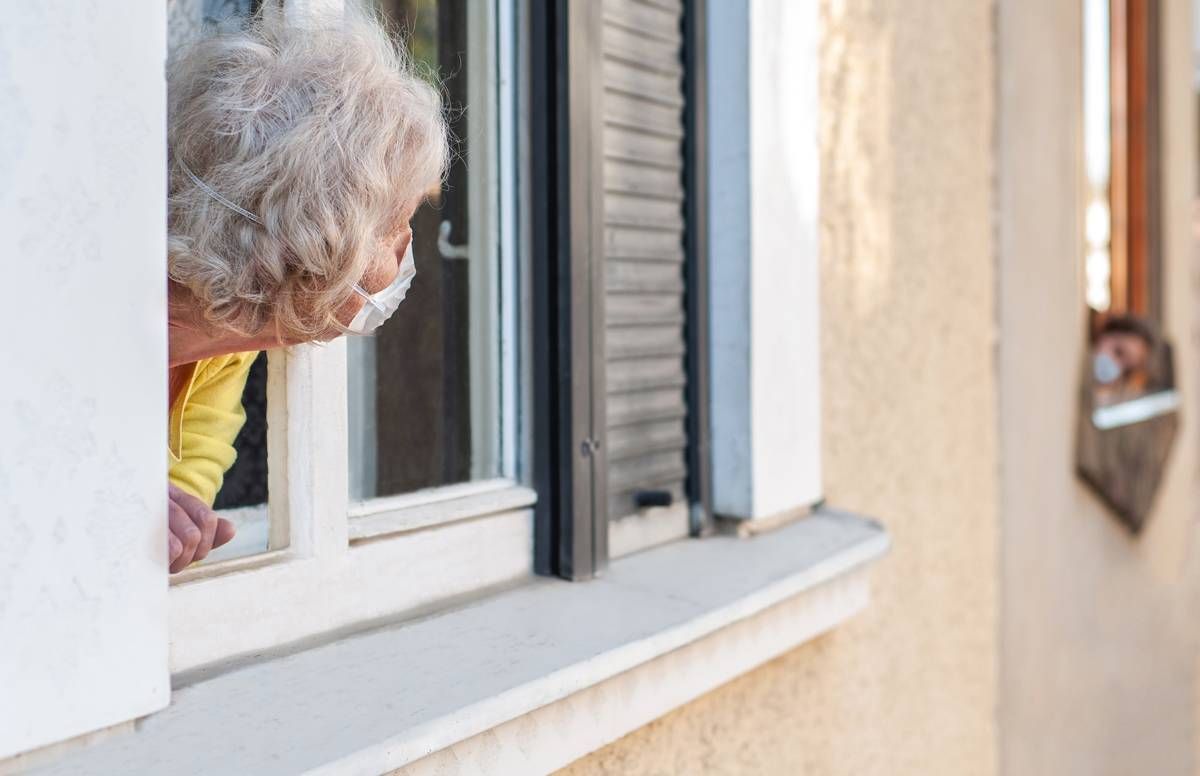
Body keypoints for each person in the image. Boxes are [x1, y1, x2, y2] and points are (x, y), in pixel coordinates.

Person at [165, 3, 447, 572]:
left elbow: (178, 505)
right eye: (397, 223)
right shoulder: (70, 325)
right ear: (317, 235)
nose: (406, 247)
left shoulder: (229, 350)